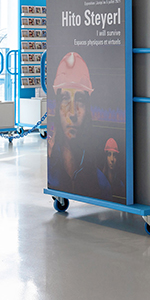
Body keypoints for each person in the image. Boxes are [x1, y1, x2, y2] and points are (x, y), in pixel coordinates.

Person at [48, 52, 99, 197]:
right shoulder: (50, 167)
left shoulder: (101, 184)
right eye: (65, 98)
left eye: (80, 100)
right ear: (57, 106)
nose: (72, 113)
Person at [97, 138, 126, 202]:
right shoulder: (99, 178)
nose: (112, 159)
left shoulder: (120, 185)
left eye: (114, 155)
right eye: (109, 155)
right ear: (105, 157)